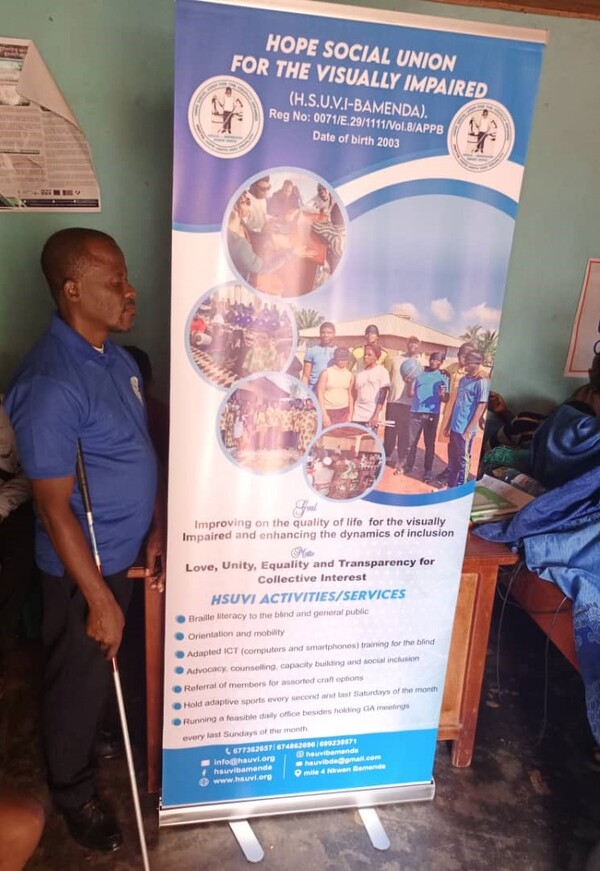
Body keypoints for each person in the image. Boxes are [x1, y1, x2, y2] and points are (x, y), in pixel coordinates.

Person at [5, 228, 165, 853]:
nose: (131, 291)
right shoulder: (50, 383)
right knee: (75, 686)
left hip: (123, 554)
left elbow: (134, 452)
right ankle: (73, 793)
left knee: (103, 676)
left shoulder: (115, 357)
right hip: (82, 571)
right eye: (115, 281)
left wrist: (152, 523)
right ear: (73, 289)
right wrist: (97, 597)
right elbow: (50, 507)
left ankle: (95, 735)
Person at [0, 398, 34, 657]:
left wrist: (2, 505)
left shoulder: (11, 408)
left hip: (8, 506)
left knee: (25, 544)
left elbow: (33, 475)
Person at [444, 350, 489, 488]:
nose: (466, 365)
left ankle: (460, 488)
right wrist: (448, 425)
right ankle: (450, 485)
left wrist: (468, 430)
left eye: (469, 363)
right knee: (452, 458)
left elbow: (481, 407)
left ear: (477, 363)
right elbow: (457, 403)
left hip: (465, 429)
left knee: (464, 459)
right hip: (455, 427)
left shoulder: (482, 382)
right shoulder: (463, 380)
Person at [403, 352, 448, 483]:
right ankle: (408, 466)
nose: (434, 362)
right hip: (415, 412)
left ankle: (428, 471)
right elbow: (410, 394)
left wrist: (441, 395)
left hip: (432, 414)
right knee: (411, 443)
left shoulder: (443, 377)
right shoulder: (418, 374)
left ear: (441, 362)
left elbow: (446, 398)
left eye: (437, 360)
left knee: (429, 444)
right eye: (432, 359)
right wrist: (408, 383)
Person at [384, 335, 422, 470]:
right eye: (411, 342)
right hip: (393, 400)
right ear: (407, 344)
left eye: (416, 343)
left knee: (404, 433)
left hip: (409, 404)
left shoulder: (422, 363)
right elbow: (387, 378)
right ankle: (386, 455)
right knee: (389, 431)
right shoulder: (395, 360)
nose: (413, 345)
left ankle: (401, 459)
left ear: (419, 346)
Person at [352, 344, 390, 429]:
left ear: (376, 357)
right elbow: (354, 394)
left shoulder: (382, 371)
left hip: (371, 415)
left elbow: (383, 395)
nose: (365, 357)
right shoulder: (358, 373)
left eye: (369, 355)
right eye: (365, 354)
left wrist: (376, 415)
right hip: (357, 415)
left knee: (369, 441)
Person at [316, 346, 354, 427]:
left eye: (345, 358)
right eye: (340, 358)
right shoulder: (326, 373)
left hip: (344, 412)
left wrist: (350, 414)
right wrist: (324, 414)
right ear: (335, 358)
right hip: (328, 411)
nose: (343, 361)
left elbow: (351, 395)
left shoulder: (350, 375)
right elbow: (320, 393)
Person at [301, 321, 337, 390]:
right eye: (323, 332)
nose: (326, 335)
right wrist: (305, 394)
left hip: (330, 392)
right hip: (314, 391)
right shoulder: (311, 350)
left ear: (334, 334)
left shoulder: (337, 351)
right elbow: (305, 376)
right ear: (320, 334)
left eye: (329, 333)